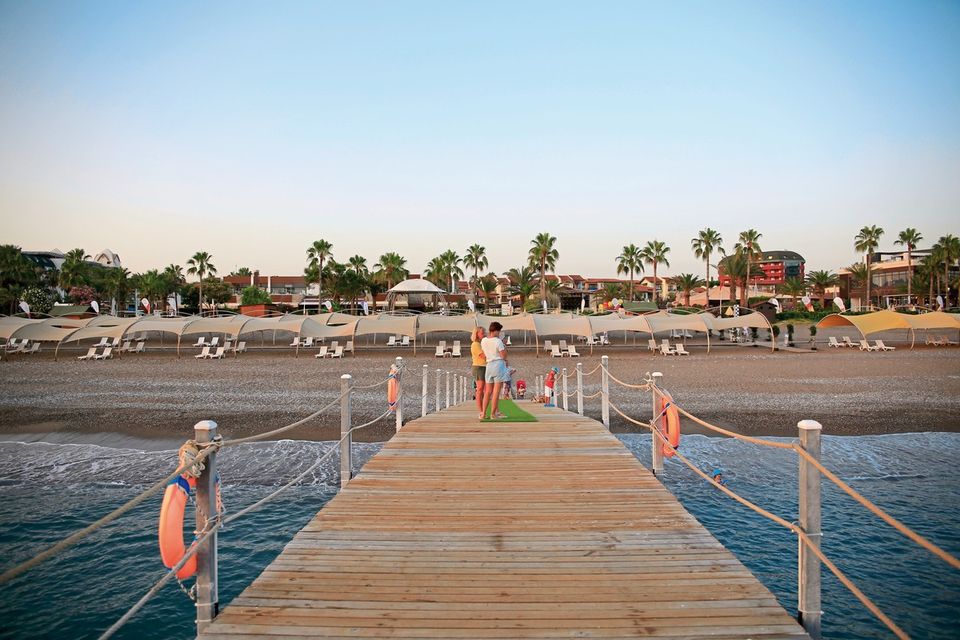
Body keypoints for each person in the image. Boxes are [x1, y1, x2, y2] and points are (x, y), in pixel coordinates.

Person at [480, 321, 510, 420]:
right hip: (498, 365)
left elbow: (484, 354)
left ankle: (483, 414)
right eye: (499, 331)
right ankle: (493, 414)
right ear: (496, 331)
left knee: (487, 392)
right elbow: (503, 355)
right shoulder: (498, 341)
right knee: (496, 391)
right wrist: (504, 347)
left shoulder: (483, 340)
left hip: (488, 365)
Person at [470, 326, 486, 415]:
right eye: (482, 333)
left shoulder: (480, 343)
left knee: (485, 390)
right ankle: (481, 411)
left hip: (483, 367)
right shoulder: (475, 344)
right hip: (479, 367)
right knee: (480, 389)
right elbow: (483, 356)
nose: (484, 334)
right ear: (477, 334)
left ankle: (484, 410)